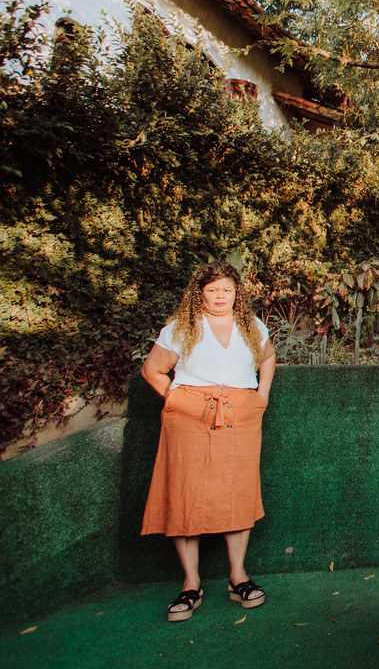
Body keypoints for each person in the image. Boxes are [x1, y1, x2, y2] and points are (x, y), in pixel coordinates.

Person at [140, 260, 275, 621]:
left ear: (236, 293)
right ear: (200, 292)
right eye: (213, 289)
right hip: (189, 418)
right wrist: (177, 399)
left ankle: (238, 577)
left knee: (238, 490)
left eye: (227, 290)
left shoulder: (252, 326)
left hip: (241, 415)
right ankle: (190, 584)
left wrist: (261, 396)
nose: (220, 296)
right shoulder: (180, 327)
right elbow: (152, 369)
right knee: (186, 492)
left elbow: (268, 357)